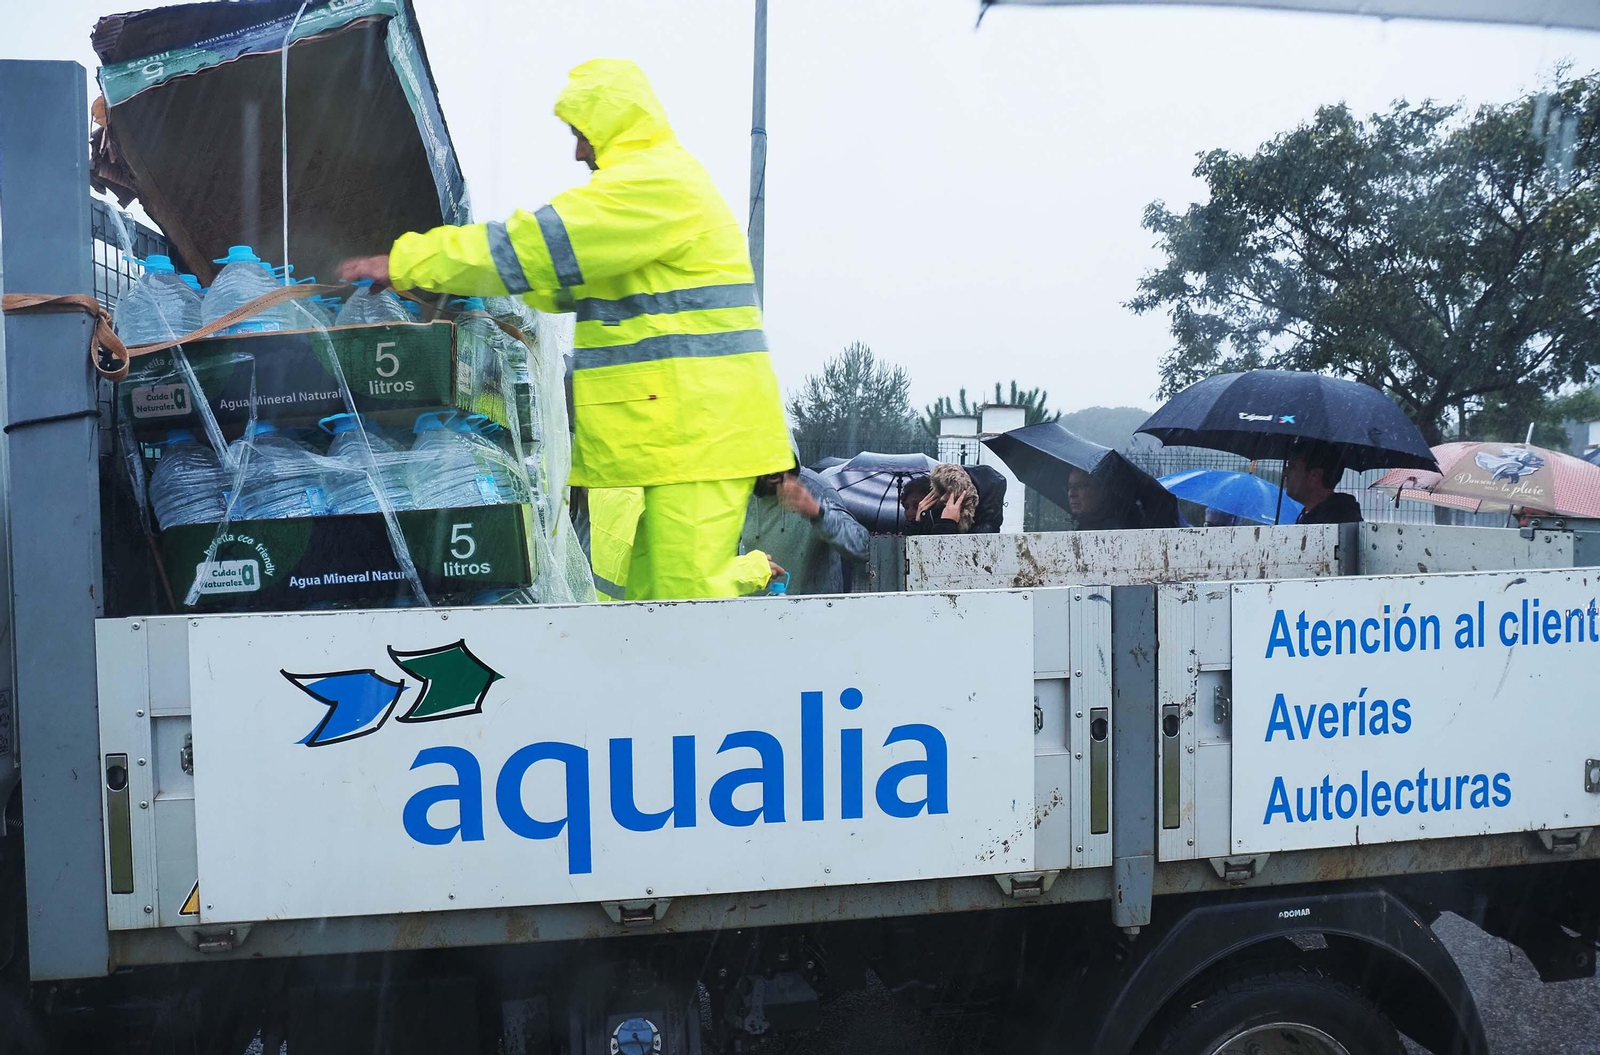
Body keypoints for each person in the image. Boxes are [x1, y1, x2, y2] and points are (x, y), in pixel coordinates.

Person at [338, 59, 791, 600]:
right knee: (655, 607)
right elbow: (554, 282)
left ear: (614, 124)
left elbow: (538, 250)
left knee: (684, 606)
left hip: (703, 432)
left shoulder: (653, 186)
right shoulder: (655, 187)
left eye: (581, 134)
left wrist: (409, 261)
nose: (577, 151)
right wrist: (479, 286)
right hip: (690, 436)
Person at [742, 463, 868, 595]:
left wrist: (817, 512)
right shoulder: (740, 492)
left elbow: (862, 547)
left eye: (779, 459)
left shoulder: (817, 489)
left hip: (814, 611)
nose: (773, 470)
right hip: (754, 611)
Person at [899, 463, 1007, 534]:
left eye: (951, 492)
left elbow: (942, 559)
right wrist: (917, 524)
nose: (943, 499)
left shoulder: (984, 528)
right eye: (941, 492)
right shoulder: (936, 515)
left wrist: (947, 524)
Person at [1282, 440, 1363, 525]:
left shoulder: (1332, 523)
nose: (1285, 473)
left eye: (1292, 466)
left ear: (1315, 476)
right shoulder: (1322, 516)